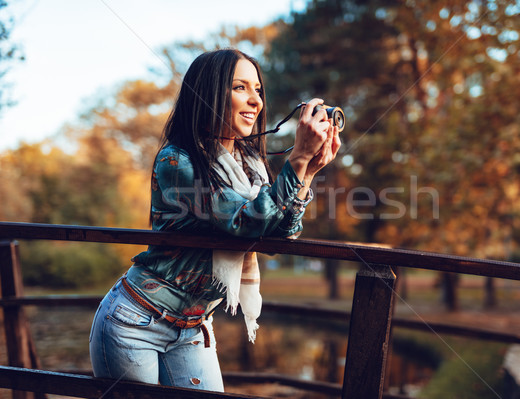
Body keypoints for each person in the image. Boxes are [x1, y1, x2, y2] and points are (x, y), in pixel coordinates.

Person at [89, 48, 341, 392]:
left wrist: (307, 171)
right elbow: (244, 223)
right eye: (240, 88)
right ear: (207, 94)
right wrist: (296, 160)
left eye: (258, 90)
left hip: (192, 326)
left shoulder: (248, 165)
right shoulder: (176, 162)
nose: (256, 102)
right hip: (135, 323)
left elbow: (279, 236)